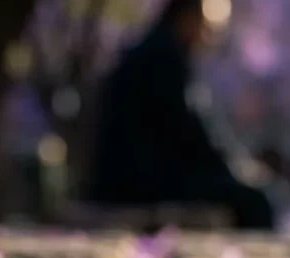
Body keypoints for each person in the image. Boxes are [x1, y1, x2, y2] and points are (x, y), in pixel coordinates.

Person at [87, 0, 279, 230]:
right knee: (258, 200)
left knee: (251, 193)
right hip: (138, 181)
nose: (209, 35)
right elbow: (190, 134)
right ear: (188, 18)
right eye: (207, 25)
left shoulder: (156, 50)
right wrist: (235, 168)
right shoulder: (164, 57)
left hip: (134, 175)